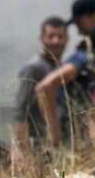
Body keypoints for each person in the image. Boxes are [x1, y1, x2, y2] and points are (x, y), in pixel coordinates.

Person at [36, 23, 95, 148]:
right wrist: (54, 130)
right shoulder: (82, 59)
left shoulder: (91, 63)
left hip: (75, 133)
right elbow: (44, 87)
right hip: (64, 132)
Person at [13, 17, 68, 153]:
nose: (55, 41)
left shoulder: (62, 68)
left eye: (60, 37)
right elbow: (21, 112)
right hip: (39, 146)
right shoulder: (34, 68)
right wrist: (24, 153)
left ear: (67, 39)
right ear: (42, 39)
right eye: (51, 36)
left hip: (57, 148)